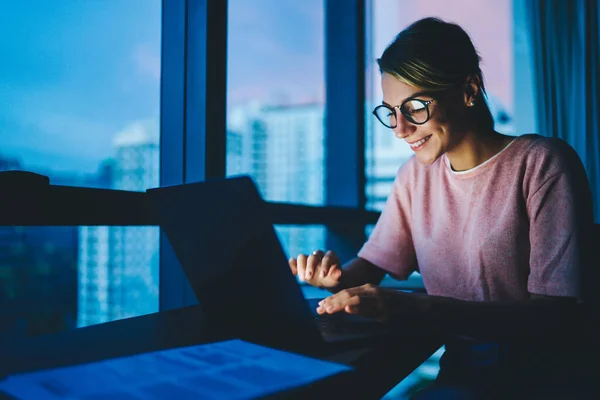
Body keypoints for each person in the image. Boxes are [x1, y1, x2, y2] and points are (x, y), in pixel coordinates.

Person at [288, 17, 596, 399]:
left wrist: (421, 309)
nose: (400, 129)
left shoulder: (542, 163)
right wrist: (335, 279)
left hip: (541, 377)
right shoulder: (414, 178)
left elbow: (556, 316)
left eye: (415, 107)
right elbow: (368, 269)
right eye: (390, 111)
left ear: (468, 90)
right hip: (463, 368)